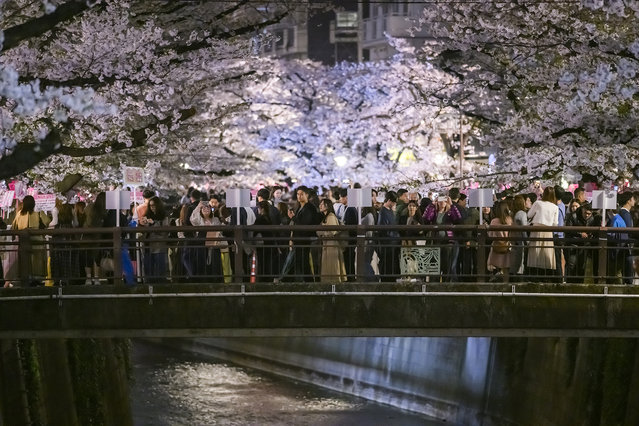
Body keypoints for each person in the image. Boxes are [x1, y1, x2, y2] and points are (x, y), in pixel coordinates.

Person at [11, 195, 51, 286]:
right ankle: (37, 280)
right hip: (38, 241)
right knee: (37, 262)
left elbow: (14, 227)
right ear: (34, 204)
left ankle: (25, 278)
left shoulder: (19, 214)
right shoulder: (39, 213)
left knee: (25, 261)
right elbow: (47, 223)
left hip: (23, 241)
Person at [291, 186, 322, 282]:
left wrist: (293, 218)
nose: (299, 196)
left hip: (305, 239)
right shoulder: (300, 207)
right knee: (300, 261)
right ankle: (302, 280)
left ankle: (308, 281)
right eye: (298, 194)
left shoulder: (309, 208)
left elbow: (305, 224)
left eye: (302, 194)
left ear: (307, 195)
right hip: (299, 239)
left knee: (305, 261)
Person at [527, 187, 558, 280]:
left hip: (536, 229)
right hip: (548, 231)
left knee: (535, 253)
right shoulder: (555, 207)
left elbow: (529, 215)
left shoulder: (538, 203)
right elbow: (555, 223)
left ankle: (533, 276)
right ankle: (545, 277)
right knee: (546, 253)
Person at [139, 196, 170, 283]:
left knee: (160, 268)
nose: (152, 207)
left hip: (158, 245)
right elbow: (142, 230)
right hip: (148, 245)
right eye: (150, 206)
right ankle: (148, 283)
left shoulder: (164, 216)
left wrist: (153, 223)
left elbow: (165, 231)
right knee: (148, 267)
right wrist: (143, 223)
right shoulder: (147, 215)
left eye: (154, 205)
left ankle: (160, 285)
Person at [317, 198, 346, 282]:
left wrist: (321, 233)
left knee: (331, 264)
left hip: (331, 244)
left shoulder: (331, 217)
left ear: (327, 206)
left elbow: (332, 232)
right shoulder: (327, 216)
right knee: (329, 264)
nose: (320, 206)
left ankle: (333, 282)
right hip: (328, 243)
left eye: (322, 204)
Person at [377, 191, 400, 282]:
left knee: (391, 265)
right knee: (388, 265)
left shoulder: (389, 211)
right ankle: (387, 281)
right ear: (389, 200)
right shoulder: (383, 212)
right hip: (388, 243)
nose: (394, 204)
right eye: (394, 202)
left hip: (392, 242)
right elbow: (383, 230)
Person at [488, 201, 513, 282]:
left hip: (496, 246)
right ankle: (506, 286)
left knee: (494, 266)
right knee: (506, 268)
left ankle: (496, 286)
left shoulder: (494, 221)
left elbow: (490, 235)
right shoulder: (510, 220)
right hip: (507, 246)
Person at [509, 195, 528, 280]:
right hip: (520, 241)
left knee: (514, 262)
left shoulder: (512, 214)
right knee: (520, 263)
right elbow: (524, 229)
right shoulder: (522, 214)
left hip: (513, 240)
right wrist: (527, 241)